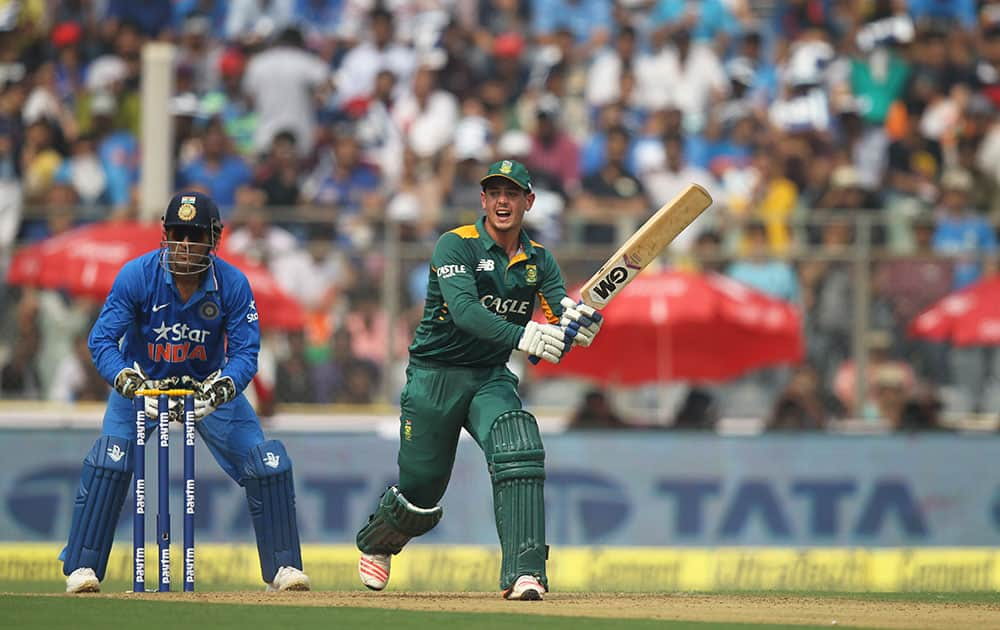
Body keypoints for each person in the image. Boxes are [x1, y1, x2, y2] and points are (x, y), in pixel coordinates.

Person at [354, 160, 604, 600]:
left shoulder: (540, 260)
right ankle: (380, 540)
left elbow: (556, 317)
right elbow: (467, 313)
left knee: (519, 444)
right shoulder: (456, 245)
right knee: (421, 490)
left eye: (513, 194)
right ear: (484, 200)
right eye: (495, 193)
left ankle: (525, 573)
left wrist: (575, 328)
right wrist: (527, 335)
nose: (503, 202)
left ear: (529, 201)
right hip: (435, 375)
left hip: (489, 377)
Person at [61, 192, 310, 593]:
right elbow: (102, 340)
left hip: (207, 387)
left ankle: (283, 568)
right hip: (143, 385)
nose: (185, 245)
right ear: (165, 234)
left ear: (214, 239)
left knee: (267, 463)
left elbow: (246, 351)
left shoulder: (232, 283)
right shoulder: (137, 276)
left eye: (195, 236)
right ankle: (82, 567)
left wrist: (223, 387)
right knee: (110, 461)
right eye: (177, 234)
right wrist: (126, 379)